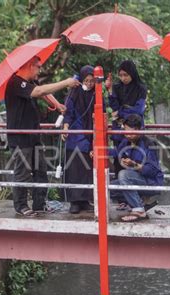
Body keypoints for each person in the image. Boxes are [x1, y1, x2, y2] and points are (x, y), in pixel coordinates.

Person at [5, 56, 80, 216]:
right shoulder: (16, 83)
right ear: (29, 66)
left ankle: (39, 204)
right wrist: (66, 83)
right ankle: (21, 206)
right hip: (20, 137)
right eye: (38, 67)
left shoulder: (31, 83)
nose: (40, 71)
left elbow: (43, 93)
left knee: (41, 171)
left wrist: (56, 105)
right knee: (22, 172)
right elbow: (39, 91)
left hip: (34, 135)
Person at [109, 114, 164, 222]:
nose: (128, 134)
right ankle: (141, 202)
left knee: (123, 175)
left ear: (139, 129)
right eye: (125, 131)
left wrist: (134, 165)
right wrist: (99, 152)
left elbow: (152, 171)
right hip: (137, 179)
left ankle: (139, 210)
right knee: (109, 188)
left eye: (131, 131)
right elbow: (117, 152)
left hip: (151, 182)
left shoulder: (148, 143)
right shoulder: (126, 141)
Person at [61, 65, 96, 214]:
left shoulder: (96, 94)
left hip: (89, 136)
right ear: (81, 80)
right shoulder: (74, 92)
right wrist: (65, 126)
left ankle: (85, 200)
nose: (89, 83)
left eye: (92, 81)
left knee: (86, 169)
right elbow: (67, 111)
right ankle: (74, 202)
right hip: (75, 135)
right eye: (86, 80)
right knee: (74, 168)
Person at [105, 60, 148, 176]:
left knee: (136, 157)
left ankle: (137, 190)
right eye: (121, 75)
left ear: (132, 74)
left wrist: (120, 112)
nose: (123, 78)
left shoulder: (141, 88)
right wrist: (110, 91)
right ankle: (120, 190)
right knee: (119, 158)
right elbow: (114, 107)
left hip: (134, 129)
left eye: (126, 75)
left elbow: (138, 110)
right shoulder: (117, 87)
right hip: (120, 130)